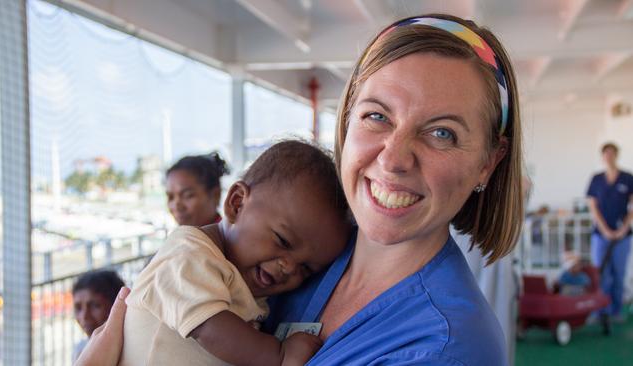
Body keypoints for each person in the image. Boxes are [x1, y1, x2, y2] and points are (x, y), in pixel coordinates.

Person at [76, 13, 524, 365]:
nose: (393, 158)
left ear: (488, 161)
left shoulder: (443, 348)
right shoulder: (316, 250)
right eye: (377, 116)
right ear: (346, 122)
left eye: (442, 133)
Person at [120, 140, 351, 365]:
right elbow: (208, 326)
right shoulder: (189, 252)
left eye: (306, 269)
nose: (289, 267)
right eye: (282, 240)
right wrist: (279, 355)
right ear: (237, 203)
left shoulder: (245, 282)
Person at [587, 142, 633, 321]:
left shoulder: (628, 178)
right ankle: (600, 311)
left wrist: (623, 229)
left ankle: (616, 311)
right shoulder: (596, 179)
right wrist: (605, 230)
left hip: (622, 236)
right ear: (602, 156)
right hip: (601, 235)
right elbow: (593, 206)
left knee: (618, 272)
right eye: (606, 153)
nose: (609, 156)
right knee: (601, 273)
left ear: (616, 155)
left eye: (612, 153)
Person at [72, 269, 126, 361]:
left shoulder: (130, 351)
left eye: (94, 306)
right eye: (78, 308)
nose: (84, 316)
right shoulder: (80, 351)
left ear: (116, 305)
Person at [166, 152, 229, 227]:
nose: (177, 206)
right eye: (171, 197)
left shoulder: (228, 238)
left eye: (188, 195)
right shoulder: (184, 236)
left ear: (216, 195)